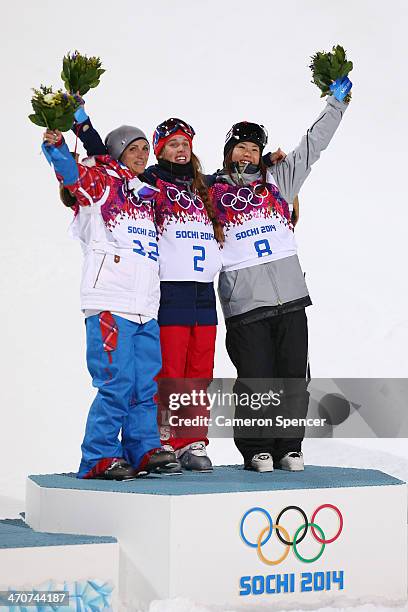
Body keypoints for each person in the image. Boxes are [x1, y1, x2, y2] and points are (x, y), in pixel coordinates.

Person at [213, 78, 352, 472]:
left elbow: (313, 145)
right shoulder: (208, 191)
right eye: (240, 146)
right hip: (245, 304)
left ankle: (289, 446)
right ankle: (257, 449)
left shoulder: (279, 181)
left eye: (254, 148)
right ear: (228, 153)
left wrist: (336, 105)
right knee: (256, 380)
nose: (248, 153)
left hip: (290, 298)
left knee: (293, 378)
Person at [42, 125, 177, 480]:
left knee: (145, 385)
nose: (141, 155)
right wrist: (57, 146)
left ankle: (143, 448)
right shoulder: (102, 186)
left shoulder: (145, 195)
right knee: (115, 383)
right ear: (117, 151)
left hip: (146, 305)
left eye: (145, 149)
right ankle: (99, 456)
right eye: (133, 148)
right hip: (110, 302)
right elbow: (72, 175)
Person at [144, 119, 223, 472]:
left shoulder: (203, 186)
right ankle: (164, 442)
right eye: (172, 143)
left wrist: (266, 159)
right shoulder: (150, 181)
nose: (180, 149)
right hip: (171, 290)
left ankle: (191, 441)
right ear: (160, 149)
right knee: (171, 369)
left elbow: (243, 175)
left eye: (185, 143)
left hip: (204, 293)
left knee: (199, 371)